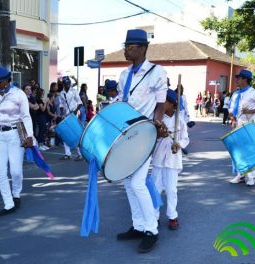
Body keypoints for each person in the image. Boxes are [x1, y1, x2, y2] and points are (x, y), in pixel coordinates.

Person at [115, 29, 168, 253]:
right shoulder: (124, 75)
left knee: (137, 183)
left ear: (143, 48)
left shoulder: (157, 72)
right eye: (125, 45)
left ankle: (151, 230)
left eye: (130, 46)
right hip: (127, 135)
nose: (126, 50)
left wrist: (156, 124)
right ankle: (138, 226)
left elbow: (160, 106)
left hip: (145, 135)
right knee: (128, 183)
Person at [0, 66, 34, 217]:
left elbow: (26, 116)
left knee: (15, 171)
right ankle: (8, 204)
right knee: (0, 172)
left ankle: (16, 194)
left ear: (8, 80)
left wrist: (30, 136)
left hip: (15, 134)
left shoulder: (19, 94)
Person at [151, 89, 189, 231]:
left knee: (171, 190)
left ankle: (172, 216)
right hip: (158, 159)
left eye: (164, 101)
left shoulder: (181, 121)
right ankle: (153, 216)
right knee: (155, 189)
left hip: (173, 160)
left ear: (172, 104)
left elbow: (186, 138)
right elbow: (151, 139)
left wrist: (178, 145)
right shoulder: (157, 119)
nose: (161, 103)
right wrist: (160, 133)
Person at [228, 70, 255, 186]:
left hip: (250, 124)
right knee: (238, 151)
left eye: (239, 78)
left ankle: (251, 177)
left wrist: (250, 111)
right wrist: (232, 119)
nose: (236, 80)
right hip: (238, 123)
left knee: (250, 150)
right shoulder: (235, 94)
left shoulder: (254, 93)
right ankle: (240, 175)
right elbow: (230, 109)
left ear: (245, 80)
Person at [59, 76, 83, 161]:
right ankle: (67, 154)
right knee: (65, 135)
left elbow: (80, 103)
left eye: (69, 83)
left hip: (73, 115)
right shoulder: (61, 93)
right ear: (63, 84)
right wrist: (61, 113)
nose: (68, 85)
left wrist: (76, 111)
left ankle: (80, 154)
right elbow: (61, 105)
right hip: (65, 116)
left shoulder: (74, 91)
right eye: (66, 83)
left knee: (75, 134)